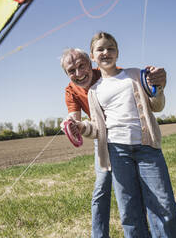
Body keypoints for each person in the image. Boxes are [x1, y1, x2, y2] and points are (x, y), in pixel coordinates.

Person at [75, 32, 176, 237]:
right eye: (100, 49)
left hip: (147, 149)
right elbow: (97, 128)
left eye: (111, 48)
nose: (106, 52)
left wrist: (158, 87)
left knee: (164, 205)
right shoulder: (94, 91)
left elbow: (157, 106)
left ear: (118, 52)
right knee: (129, 211)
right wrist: (81, 127)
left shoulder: (134, 75)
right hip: (117, 152)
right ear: (92, 56)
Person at [60, 48, 113, 237]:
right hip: (101, 137)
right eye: (71, 71)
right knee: (101, 188)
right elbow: (76, 119)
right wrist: (70, 124)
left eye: (82, 66)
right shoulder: (70, 90)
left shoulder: (109, 74)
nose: (79, 73)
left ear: (91, 63)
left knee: (133, 188)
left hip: (126, 135)